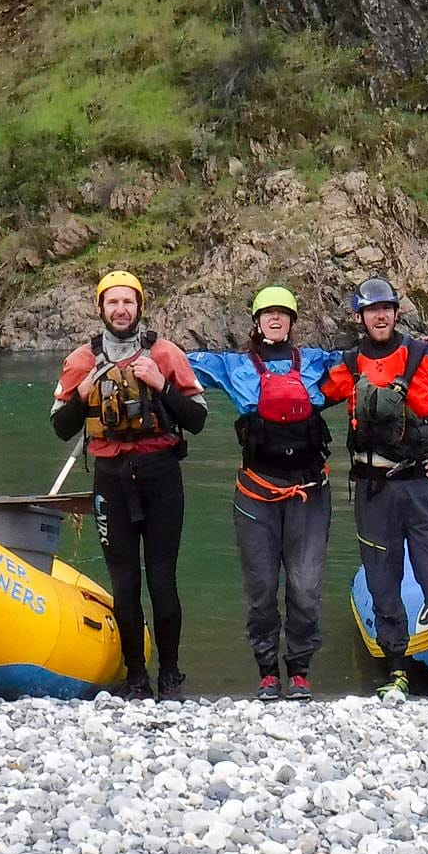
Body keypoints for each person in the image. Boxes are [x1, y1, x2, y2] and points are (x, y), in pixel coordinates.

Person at [318, 276, 428, 700]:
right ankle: (396, 671)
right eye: (371, 310)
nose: (379, 316)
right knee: (383, 582)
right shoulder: (347, 365)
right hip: (372, 491)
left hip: (421, 486)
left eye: (386, 309)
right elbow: (309, 400)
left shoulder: (426, 355)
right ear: (360, 317)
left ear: (396, 312)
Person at [52, 270, 208, 698]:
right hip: (111, 479)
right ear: (100, 308)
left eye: (129, 302)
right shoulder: (82, 360)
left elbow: (197, 419)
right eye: (113, 303)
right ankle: (136, 675)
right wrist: (84, 391)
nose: (121, 310)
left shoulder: (166, 354)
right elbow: (61, 428)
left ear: (140, 306)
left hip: (160, 474)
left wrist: (160, 384)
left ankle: (170, 673)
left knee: (162, 579)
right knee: (124, 582)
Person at [187, 287, 344, 702]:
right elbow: (179, 367)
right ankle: (267, 671)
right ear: (256, 322)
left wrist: (420, 350)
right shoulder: (232, 366)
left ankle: (301, 669)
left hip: (309, 493)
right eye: (268, 313)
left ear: (292, 321)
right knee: (260, 590)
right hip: (256, 495)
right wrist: (145, 352)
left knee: (305, 587)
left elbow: (369, 362)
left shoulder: (315, 361)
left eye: (283, 313)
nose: (276, 319)